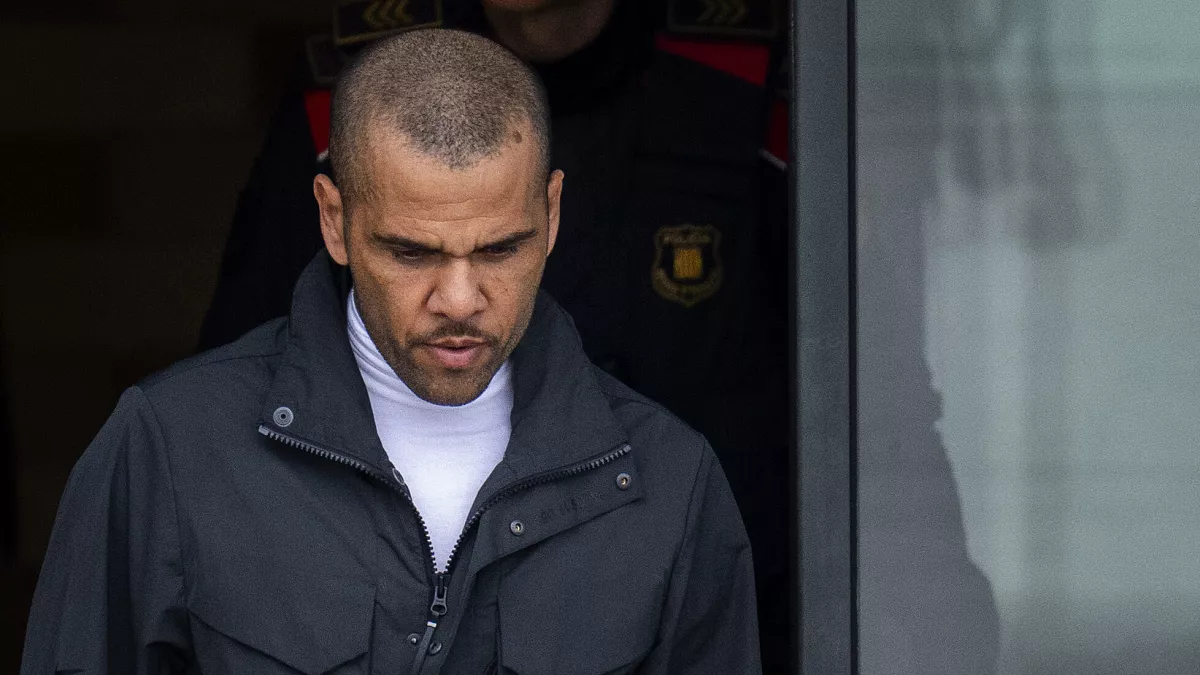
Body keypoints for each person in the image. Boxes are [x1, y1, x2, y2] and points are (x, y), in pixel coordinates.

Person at [20, 30, 760, 675]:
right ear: (334, 220)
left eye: (500, 249)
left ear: (552, 213)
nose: (460, 300)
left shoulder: (668, 485)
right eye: (412, 252)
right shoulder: (170, 450)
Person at [201, 1, 795, 671]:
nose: (459, 298)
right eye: (410, 250)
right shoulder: (354, 87)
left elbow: (859, 387)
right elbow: (241, 423)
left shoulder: (745, 82)